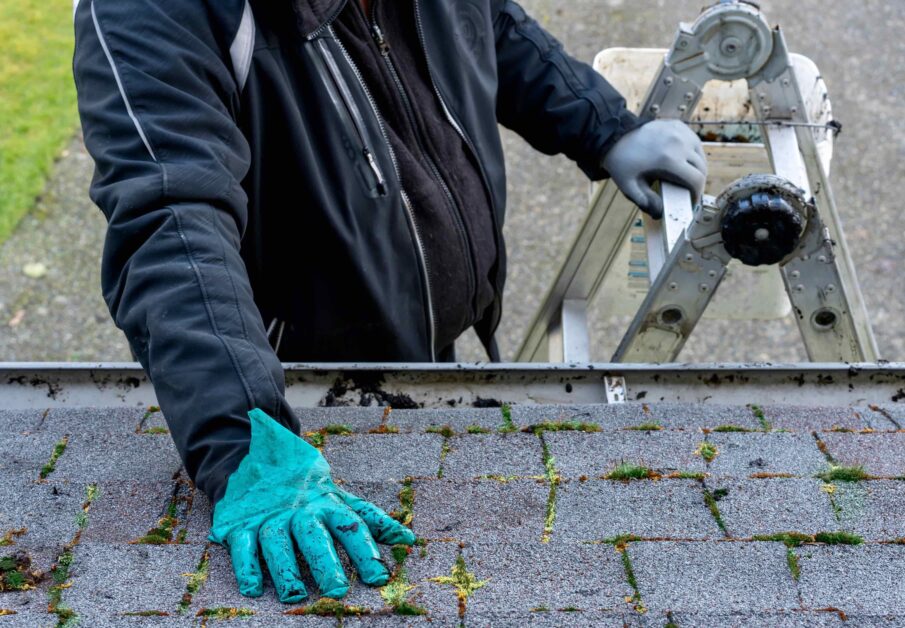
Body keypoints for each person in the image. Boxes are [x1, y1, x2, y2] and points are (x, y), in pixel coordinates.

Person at [73, 0, 707, 602]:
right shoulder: (146, 11)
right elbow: (171, 218)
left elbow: (486, 25)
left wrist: (601, 126)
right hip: (293, 400)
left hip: (429, 344)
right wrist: (244, 437)